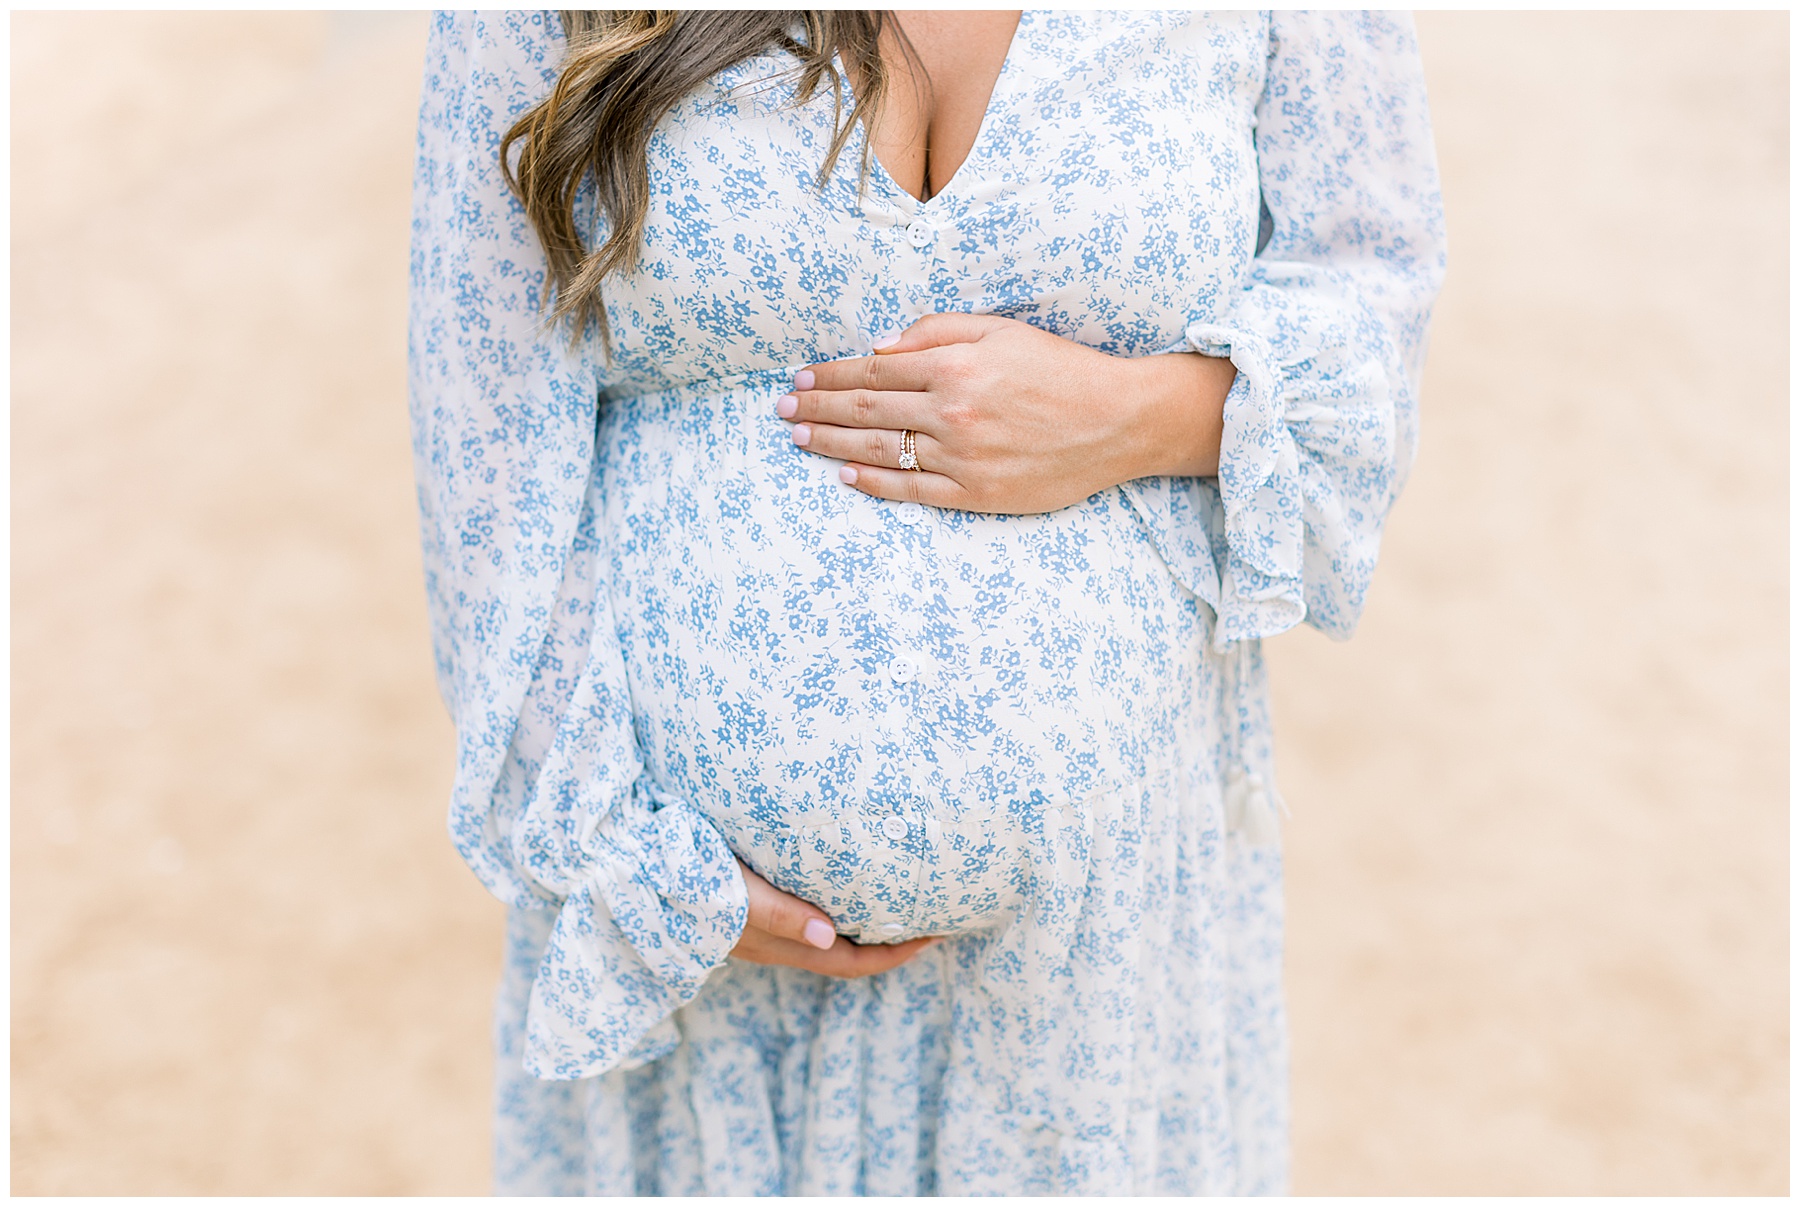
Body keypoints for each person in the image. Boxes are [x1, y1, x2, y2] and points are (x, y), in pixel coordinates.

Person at [407, 8, 1444, 1195]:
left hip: (1093, 978)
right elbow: (482, 423)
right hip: (703, 992)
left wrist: (1140, 416)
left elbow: (1372, 278)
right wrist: (630, 862)